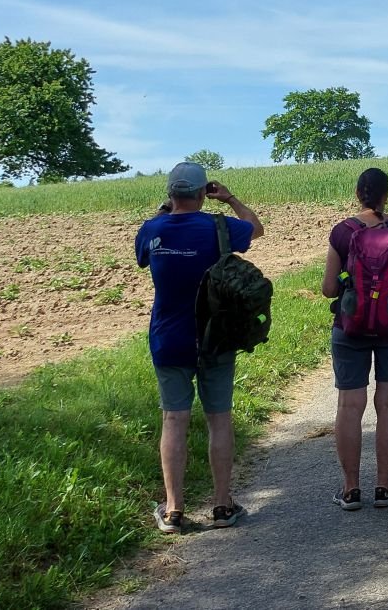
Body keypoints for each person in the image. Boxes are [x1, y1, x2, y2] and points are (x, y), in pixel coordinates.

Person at [136, 162, 266, 534]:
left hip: (168, 339)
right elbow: (256, 227)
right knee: (218, 419)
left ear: (170, 193)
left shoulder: (152, 230)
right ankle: (222, 505)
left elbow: (143, 251)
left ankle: (173, 510)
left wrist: (165, 209)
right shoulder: (219, 228)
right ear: (201, 193)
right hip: (215, 338)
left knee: (173, 419)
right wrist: (230, 198)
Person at [322, 167, 388, 510]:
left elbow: (328, 289)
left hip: (349, 326)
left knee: (349, 405)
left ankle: (350, 489)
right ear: (387, 195)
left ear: (358, 193)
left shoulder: (342, 232)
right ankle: (384, 486)